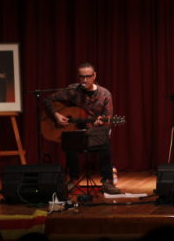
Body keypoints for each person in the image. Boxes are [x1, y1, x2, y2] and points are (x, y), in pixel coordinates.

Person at [43, 63, 121, 194]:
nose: (85, 80)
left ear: (94, 76)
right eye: (82, 77)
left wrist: (99, 122)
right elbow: (47, 100)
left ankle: (107, 181)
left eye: (88, 76)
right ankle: (73, 179)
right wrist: (56, 115)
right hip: (76, 130)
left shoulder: (105, 94)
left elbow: (107, 118)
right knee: (70, 139)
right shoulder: (73, 91)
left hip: (94, 130)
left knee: (105, 140)